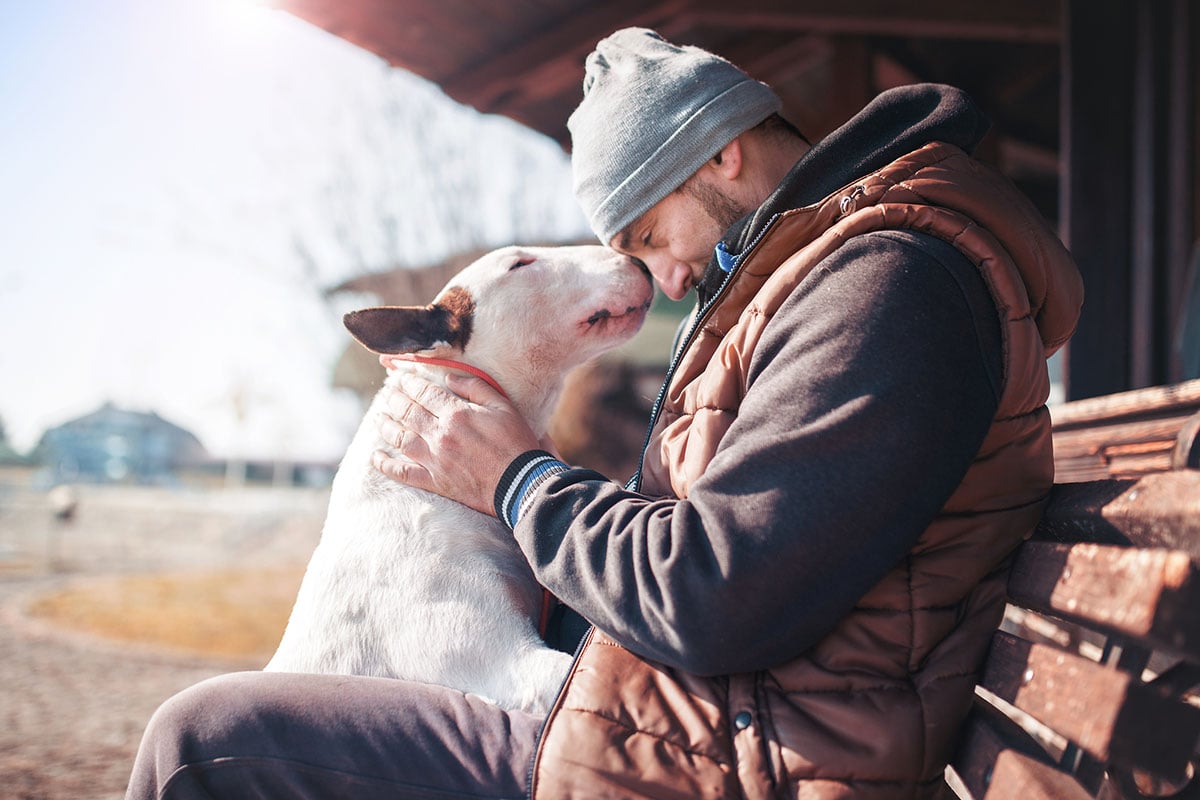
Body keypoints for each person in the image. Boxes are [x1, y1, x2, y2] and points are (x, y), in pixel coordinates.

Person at [126, 28, 1083, 800]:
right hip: (696, 714)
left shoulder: (887, 287)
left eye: (649, 233)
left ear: (723, 152)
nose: (662, 276)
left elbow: (713, 593)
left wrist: (517, 479)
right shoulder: (827, 282)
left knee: (204, 741)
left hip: (735, 757)